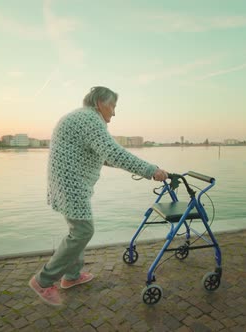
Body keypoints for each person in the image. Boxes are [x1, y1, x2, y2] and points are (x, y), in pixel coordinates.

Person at [29, 86, 168, 306]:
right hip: (71, 185)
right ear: (98, 103)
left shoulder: (80, 117)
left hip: (67, 183)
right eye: (112, 105)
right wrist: (151, 170)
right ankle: (43, 281)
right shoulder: (90, 119)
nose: (114, 112)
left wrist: (139, 168)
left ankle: (72, 276)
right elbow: (114, 153)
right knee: (83, 231)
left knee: (77, 231)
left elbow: (104, 157)